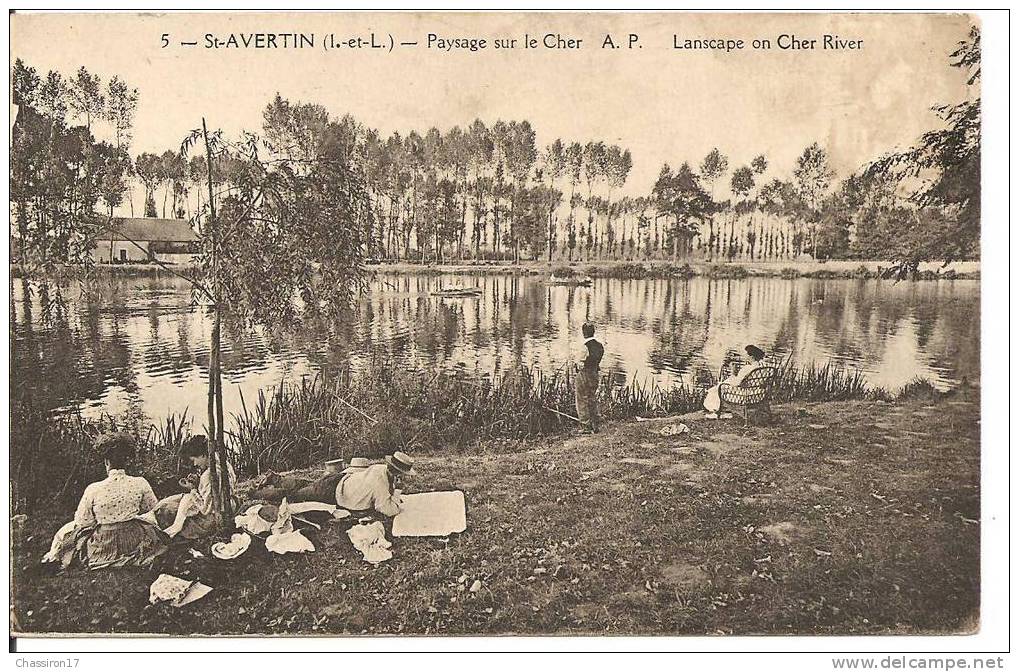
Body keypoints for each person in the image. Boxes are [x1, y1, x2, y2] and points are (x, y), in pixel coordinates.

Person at [42, 432, 165, 570]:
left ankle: (53, 558)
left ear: (106, 462)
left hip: (104, 544)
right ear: (127, 461)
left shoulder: (93, 489)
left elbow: (84, 522)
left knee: (65, 531)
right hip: (133, 540)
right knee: (150, 525)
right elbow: (154, 509)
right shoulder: (140, 483)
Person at [251, 452, 416, 518]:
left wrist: (393, 487)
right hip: (333, 492)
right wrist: (398, 491)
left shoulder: (379, 468)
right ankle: (255, 494)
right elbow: (388, 510)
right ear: (397, 472)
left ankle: (275, 478)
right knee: (296, 495)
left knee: (304, 484)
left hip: (339, 479)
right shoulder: (379, 484)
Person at [150, 435, 237, 539]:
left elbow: (205, 509)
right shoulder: (226, 465)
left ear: (204, 455)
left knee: (176, 510)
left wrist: (193, 489)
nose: (195, 464)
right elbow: (217, 490)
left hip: (214, 518)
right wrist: (198, 482)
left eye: (194, 459)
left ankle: (170, 531)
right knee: (176, 502)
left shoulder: (209, 475)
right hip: (229, 507)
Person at [703, 344, 767, 418]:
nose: (745, 357)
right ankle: (719, 409)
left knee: (719, 387)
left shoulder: (747, 368)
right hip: (758, 393)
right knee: (720, 386)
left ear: (751, 357)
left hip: (745, 394)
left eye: (746, 355)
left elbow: (736, 383)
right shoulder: (763, 367)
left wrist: (733, 372)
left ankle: (715, 410)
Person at [574, 322, 604, 433]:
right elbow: (597, 359)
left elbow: (580, 364)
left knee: (582, 399)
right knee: (591, 398)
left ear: (583, 333)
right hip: (595, 373)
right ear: (593, 332)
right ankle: (595, 424)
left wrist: (576, 365)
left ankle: (585, 426)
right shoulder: (600, 346)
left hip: (585, 374)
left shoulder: (584, 347)